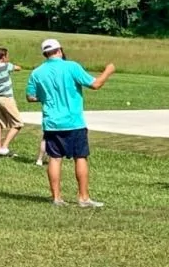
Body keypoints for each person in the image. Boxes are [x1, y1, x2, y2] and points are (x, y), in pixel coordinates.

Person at [25, 38, 115, 207]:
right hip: (74, 122)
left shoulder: (37, 73)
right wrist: (108, 70)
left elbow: (30, 97)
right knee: (80, 157)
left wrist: (46, 97)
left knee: (54, 158)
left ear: (45, 54)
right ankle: (83, 197)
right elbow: (96, 84)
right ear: (60, 50)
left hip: (52, 122)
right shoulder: (72, 66)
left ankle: (56, 197)